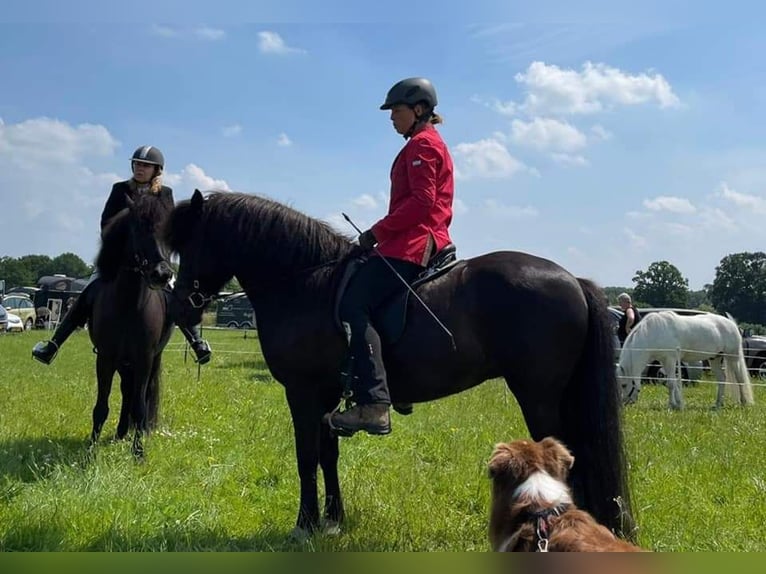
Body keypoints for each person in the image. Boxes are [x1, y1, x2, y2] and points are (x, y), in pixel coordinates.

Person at [326, 77, 455, 436]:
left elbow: (421, 203)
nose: (391, 117)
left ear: (418, 110)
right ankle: (401, 382)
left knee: (354, 305)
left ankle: (374, 405)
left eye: (395, 110)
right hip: (416, 240)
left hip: (413, 242)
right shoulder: (424, 142)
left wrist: (375, 234)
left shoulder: (422, 145)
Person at [32, 145, 212, 365]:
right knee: (90, 289)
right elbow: (105, 222)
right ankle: (53, 344)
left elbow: (168, 228)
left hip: (154, 258)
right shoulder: (120, 190)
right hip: (119, 259)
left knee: (174, 291)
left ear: (157, 170)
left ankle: (196, 341)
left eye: (145, 165)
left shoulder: (165, 194)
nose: (140, 168)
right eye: (137, 164)